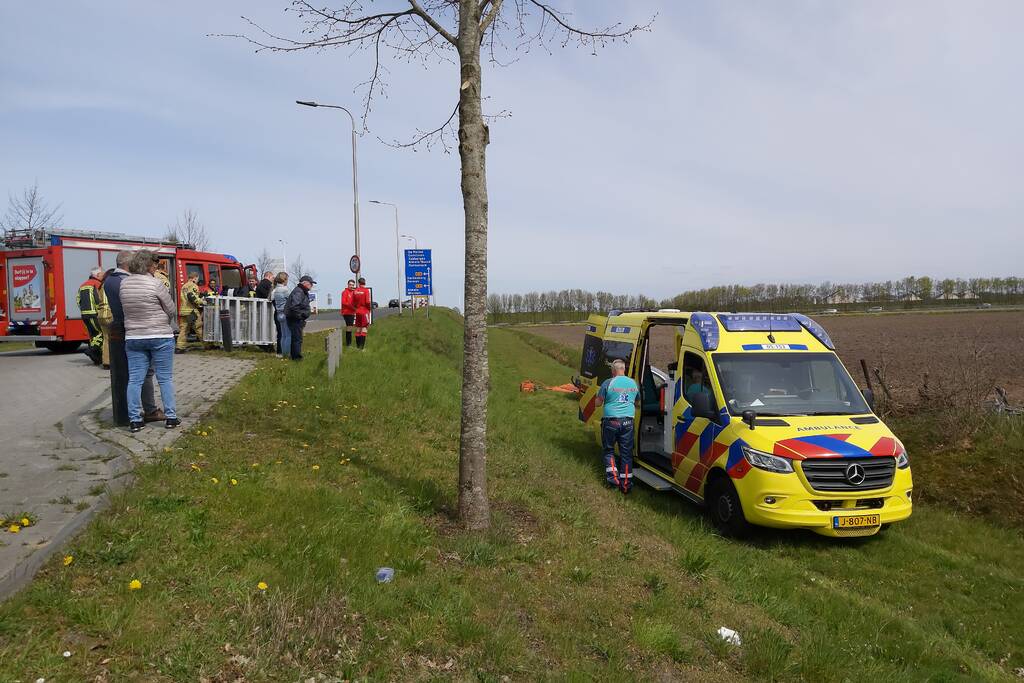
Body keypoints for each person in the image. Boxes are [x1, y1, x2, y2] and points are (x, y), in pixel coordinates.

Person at [121, 250, 179, 432]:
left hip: (134, 337)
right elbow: (171, 309)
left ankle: (135, 420)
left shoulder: (124, 284)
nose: (155, 268)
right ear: (148, 265)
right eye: (154, 265)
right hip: (160, 336)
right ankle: (170, 417)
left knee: (135, 379)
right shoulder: (156, 283)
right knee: (165, 378)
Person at [104, 250, 164, 424]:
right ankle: (147, 410)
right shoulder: (124, 282)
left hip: (123, 330)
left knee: (135, 374)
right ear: (128, 264)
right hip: (135, 331)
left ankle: (135, 412)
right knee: (144, 373)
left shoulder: (110, 281)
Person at [595, 358, 640, 494]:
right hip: (628, 422)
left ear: (613, 371)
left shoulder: (608, 382)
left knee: (609, 451)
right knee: (626, 454)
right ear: (624, 369)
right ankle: (626, 485)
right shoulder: (633, 383)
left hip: (611, 421)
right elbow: (637, 403)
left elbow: (598, 403)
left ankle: (613, 480)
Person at [78, 267, 105, 364]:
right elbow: (98, 300)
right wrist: (101, 311)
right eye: (102, 274)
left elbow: (78, 300)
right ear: (97, 275)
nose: (104, 276)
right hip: (94, 314)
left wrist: (83, 310)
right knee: (101, 333)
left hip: (85, 315)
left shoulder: (82, 285)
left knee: (93, 335)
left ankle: (97, 358)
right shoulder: (97, 284)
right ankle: (92, 350)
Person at [284, 275, 315, 360]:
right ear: (305, 283)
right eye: (310, 284)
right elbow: (294, 307)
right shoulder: (299, 292)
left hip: (296, 318)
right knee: (297, 339)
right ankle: (296, 357)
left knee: (297, 338)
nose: (311, 286)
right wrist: (301, 316)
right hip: (295, 319)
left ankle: (294, 355)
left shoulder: (302, 291)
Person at [176, 271, 205, 353]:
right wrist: (202, 302)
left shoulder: (184, 286)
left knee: (183, 330)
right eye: (197, 279)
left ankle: (180, 347)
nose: (197, 280)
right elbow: (192, 297)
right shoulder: (193, 285)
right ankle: (208, 345)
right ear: (195, 278)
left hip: (183, 310)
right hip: (191, 311)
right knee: (199, 328)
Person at [271, 272, 291, 357]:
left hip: (278, 313)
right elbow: (291, 300)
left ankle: (282, 352)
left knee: (282, 335)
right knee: (288, 335)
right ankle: (287, 353)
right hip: (285, 313)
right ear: (284, 279)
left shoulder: (275, 290)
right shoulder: (285, 290)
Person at [353, 277, 372, 350]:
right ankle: (362, 348)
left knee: (358, 328)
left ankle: (358, 347)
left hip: (357, 311)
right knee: (364, 328)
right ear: (365, 283)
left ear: (358, 283)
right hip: (364, 311)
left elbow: (353, 302)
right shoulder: (366, 290)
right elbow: (367, 302)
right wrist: (369, 309)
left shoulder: (355, 291)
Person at [341, 279, 356, 347]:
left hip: (352, 312)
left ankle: (349, 343)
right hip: (347, 312)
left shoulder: (354, 292)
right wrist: (352, 307)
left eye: (352, 285)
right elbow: (344, 303)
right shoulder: (345, 292)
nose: (351, 286)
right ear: (348, 285)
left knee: (350, 327)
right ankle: (348, 344)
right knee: (349, 327)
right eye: (350, 285)